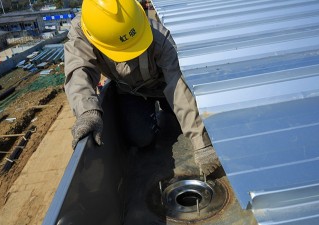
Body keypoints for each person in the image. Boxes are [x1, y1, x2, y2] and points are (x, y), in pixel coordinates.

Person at [64, 0, 220, 176]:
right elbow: (79, 71)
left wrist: (202, 144)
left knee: (186, 116)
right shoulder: (85, 30)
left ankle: (168, 110)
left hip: (163, 87)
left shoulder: (159, 36)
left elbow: (177, 84)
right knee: (141, 138)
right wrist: (87, 112)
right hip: (131, 90)